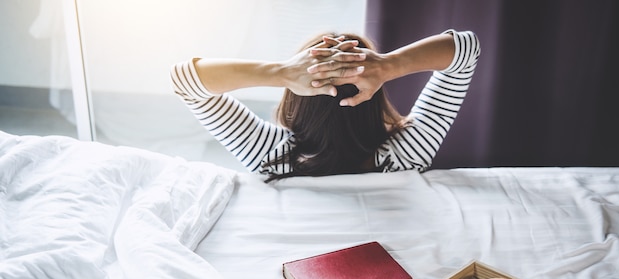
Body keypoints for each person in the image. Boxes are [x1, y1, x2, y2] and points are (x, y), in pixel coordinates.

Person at [171, 29, 480, 182]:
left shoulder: (270, 156)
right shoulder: (407, 155)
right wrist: (389, 65)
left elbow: (184, 80)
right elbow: (466, 48)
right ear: (373, 97)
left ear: (296, 96)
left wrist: (281, 72)